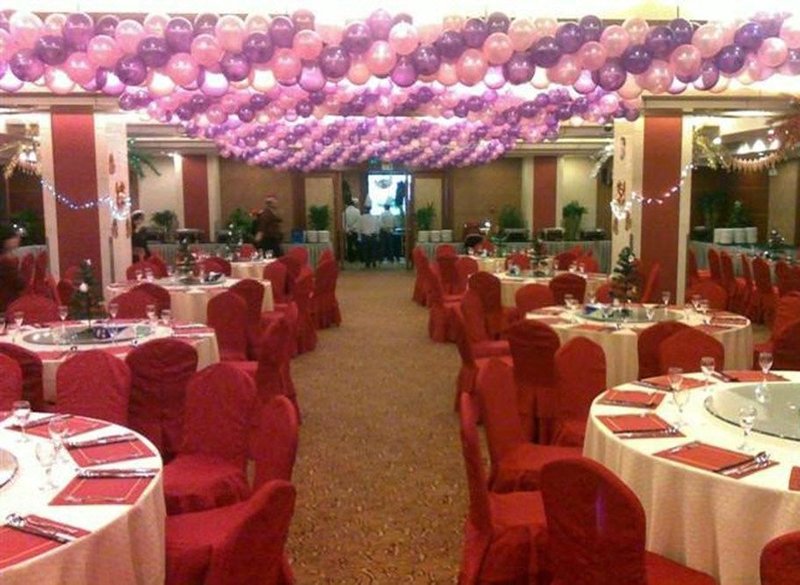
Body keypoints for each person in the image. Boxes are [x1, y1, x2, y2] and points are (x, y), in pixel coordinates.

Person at [0, 223, 24, 313]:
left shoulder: (9, 259)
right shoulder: (5, 261)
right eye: (14, 237)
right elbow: (19, 284)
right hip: (8, 303)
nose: (18, 239)